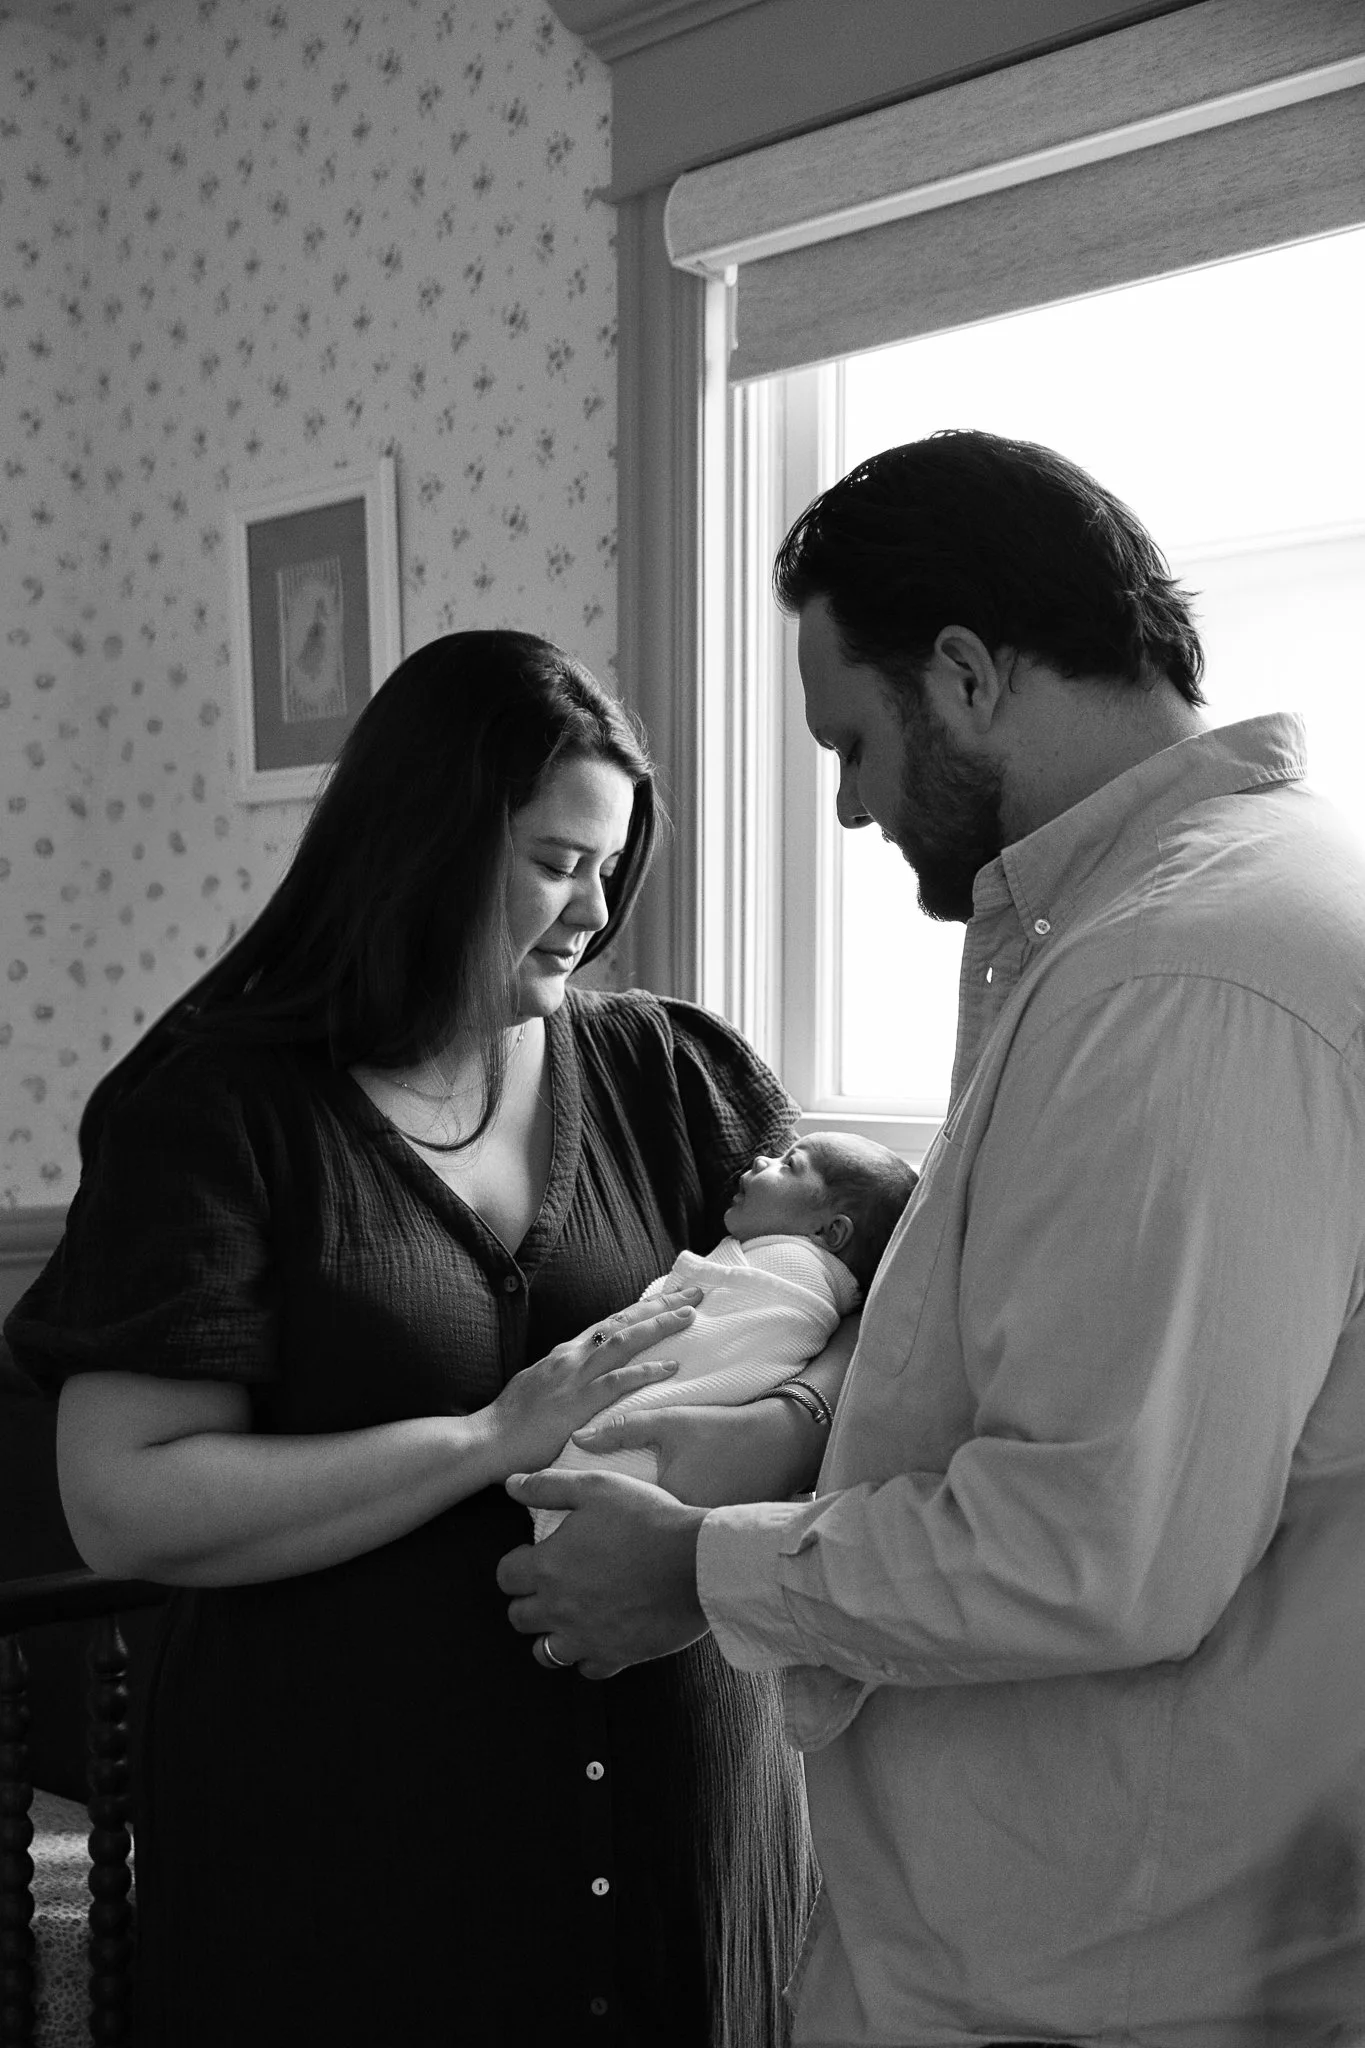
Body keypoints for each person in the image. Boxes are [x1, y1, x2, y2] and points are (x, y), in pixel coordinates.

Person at [497, 434, 1365, 2047]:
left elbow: (1093, 1543)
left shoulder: (1180, 975)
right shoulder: (1184, 923)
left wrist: (697, 1566)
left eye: (855, 739)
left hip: (1111, 1956)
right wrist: (925, 1241)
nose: (845, 805)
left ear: (962, 672)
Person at [5, 629, 857, 2048]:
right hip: (350, 1864)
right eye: (550, 861)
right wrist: (486, 1441)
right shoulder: (216, 1111)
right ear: (420, 844)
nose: (591, 910)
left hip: (675, 1835)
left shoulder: (677, 1076)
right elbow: (123, 1497)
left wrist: (784, 1429)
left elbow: (847, 1315)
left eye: (608, 865)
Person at [532, 1132, 917, 1536]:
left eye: (789, 1165)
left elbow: (696, 1341)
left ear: (829, 1233)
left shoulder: (788, 1273)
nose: (760, 1161)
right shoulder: (816, 1288)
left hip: (633, 1471)